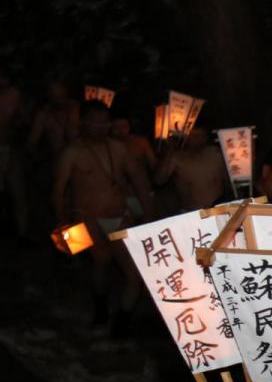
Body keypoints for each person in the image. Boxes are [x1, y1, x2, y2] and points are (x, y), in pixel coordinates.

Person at [51, 100, 154, 330]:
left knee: (133, 274)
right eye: (95, 123)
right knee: (101, 261)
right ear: (84, 124)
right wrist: (62, 221)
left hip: (119, 214)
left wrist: (148, 215)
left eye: (104, 123)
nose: (100, 127)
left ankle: (122, 322)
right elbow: (58, 190)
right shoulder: (72, 153)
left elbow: (139, 180)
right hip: (88, 216)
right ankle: (100, 309)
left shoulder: (119, 149)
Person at [153, 124, 225, 211]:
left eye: (201, 136)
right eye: (194, 135)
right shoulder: (176, 158)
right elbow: (159, 180)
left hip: (219, 209)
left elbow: (229, 181)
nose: (198, 139)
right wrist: (169, 150)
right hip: (192, 213)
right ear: (186, 137)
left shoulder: (216, 153)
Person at [109, 109, 156, 220]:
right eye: (117, 127)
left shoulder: (140, 142)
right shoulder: (106, 146)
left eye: (124, 126)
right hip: (121, 197)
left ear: (129, 127)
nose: (120, 131)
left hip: (144, 194)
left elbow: (154, 166)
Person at [0, 67, 29, 240]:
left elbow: (23, 118)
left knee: (18, 192)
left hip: (9, 148)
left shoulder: (13, 94)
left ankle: (22, 234)